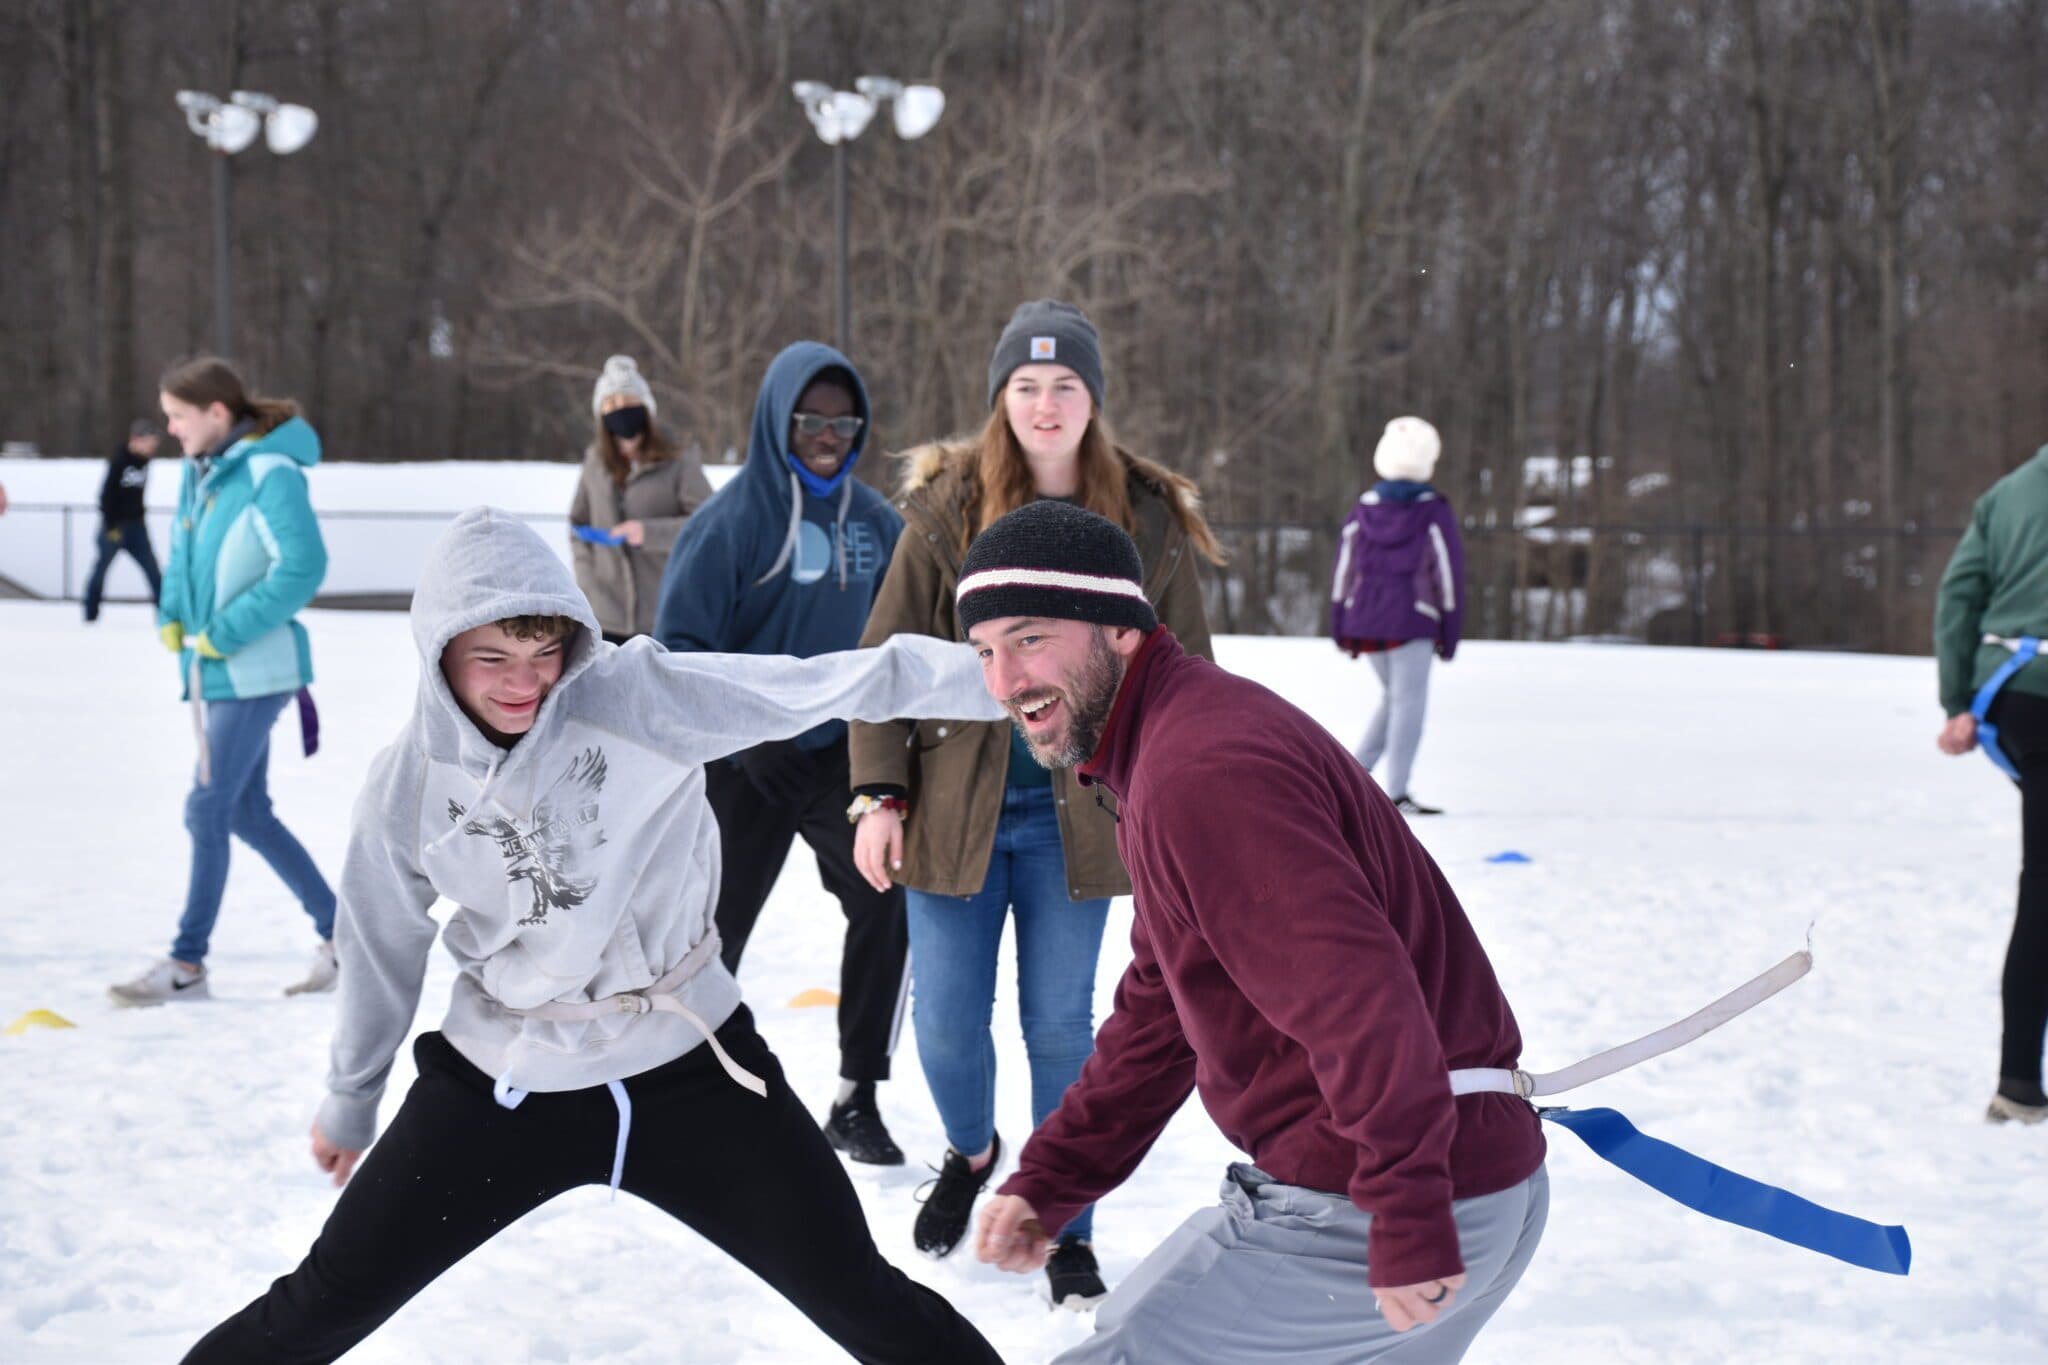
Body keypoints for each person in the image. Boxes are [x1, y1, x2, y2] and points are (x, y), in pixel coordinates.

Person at [181, 508, 1006, 1364]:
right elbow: (380, 939)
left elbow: (826, 682)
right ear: (438, 655)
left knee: (862, 1296)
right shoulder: (410, 782)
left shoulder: (639, 697)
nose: (522, 684)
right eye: (491, 659)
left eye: (543, 656)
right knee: (321, 1303)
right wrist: (353, 1094)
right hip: (507, 1076)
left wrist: (1006, 676)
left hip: (693, 1065)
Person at [965, 501, 1548, 1363]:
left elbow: (1358, 1001)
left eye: (1030, 638)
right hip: (1449, 1186)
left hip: (1376, 1207)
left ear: (1121, 630)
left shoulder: (1200, 770)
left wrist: (1406, 1208)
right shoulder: (1171, 743)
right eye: (984, 651)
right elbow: (1163, 1012)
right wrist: (1055, 1176)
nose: (1005, 680)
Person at [848, 298, 1222, 1308]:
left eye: (1065, 386)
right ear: (998, 399)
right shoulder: (946, 505)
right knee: (943, 1025)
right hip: (952, 811)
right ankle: (971, 1154)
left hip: (1082, 818)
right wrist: (875, 793)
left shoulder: (1145, 513)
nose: (1045, 404)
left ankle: (1063, 1220)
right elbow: (884, 662)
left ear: (1092, 400)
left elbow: (1185, 668)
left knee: (1061, 1030)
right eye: (1025, 386)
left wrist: (1177, 812)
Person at [654, 341, 913, 1165]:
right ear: (778, 421)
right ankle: (682, 1091)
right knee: (707, 933)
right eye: (811, 421)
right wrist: (747, 735)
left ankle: (856, 1096)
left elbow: (909, 635)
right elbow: (677, 651)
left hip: (839, 756)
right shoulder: (729, 524)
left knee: (889, 899)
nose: (829, 435)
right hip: (744, 762)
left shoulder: (876, 524)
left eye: (844, 421)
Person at [109, 358, 338, 1007]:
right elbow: (183, 552)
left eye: (179, 417)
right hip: (217, 669)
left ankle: (187, 961)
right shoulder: (202, 472)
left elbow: (302, 566)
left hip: (256, 667)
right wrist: (173, 615)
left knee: (206, 807)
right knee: (244, 810)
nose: (171, 430)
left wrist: (225, 631)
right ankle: (343, 934)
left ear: (216, 412)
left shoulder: (270, 471)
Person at [1934, 439, 2048, 1126]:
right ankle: (2017, 1082)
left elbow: (1959, 596)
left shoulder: (2009, 492)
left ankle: (2019, 1078)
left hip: (2017, 697)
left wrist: (1957, 702)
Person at [1330, 415, 1466, 816]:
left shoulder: (1362, 510)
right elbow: (1448, 571)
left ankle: (1355, 776)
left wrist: (1340, 621)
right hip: (1414, 621)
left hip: (1366, 622)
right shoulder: (1433, 511)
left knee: (1395, 699)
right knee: (1409, 705)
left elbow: (1343, 569)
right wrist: (1451, 629)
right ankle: (1396, 792)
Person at [569, 354, 714, 643]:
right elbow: (578, 524)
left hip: (666, 611)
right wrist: (588, 582)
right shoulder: (594, 462)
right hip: (605, 615)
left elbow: (708, 525)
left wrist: (648, 533)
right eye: (611, 404)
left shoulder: (680, 457)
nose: (620, 410)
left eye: (628, 402)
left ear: (646, 407)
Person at [83, 418, 166, 621]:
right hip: (115, 527)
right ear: (136, 440)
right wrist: (110, 525)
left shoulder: (145, 462)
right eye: (148, 441)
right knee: (100, 570)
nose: (152, 446)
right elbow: (105, 495)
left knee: (153, 571)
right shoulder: (119, 461)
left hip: (137, 527)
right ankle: (90, 614)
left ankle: (165, 613)